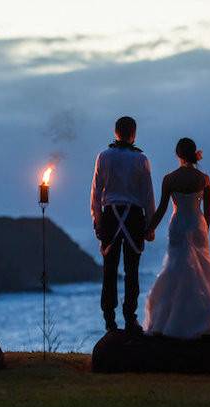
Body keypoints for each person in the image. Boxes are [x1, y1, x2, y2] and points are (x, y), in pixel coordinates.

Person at [143, 137, 210, 338]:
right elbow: (208, 211)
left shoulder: (169, 179)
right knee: (200, 271)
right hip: (197, 225)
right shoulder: (204, 179)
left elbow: (161, 209)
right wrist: (205, 232)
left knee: (176, 270)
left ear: (177, 155)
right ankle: (201, 321)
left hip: (177, 225)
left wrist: (149, 229)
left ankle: (170, 322)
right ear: (193, 154)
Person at [90, 116, 156, 333]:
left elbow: (96, 193)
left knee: (109, 271)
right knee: (132, 271)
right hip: (134, 218)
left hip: (110, 216)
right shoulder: (141, 159)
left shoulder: (103, 156)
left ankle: (109, 321)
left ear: (115, 132)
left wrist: (97, 221)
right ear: (134, 133)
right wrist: (151, 225)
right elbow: (148, 196)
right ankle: (130, 318)